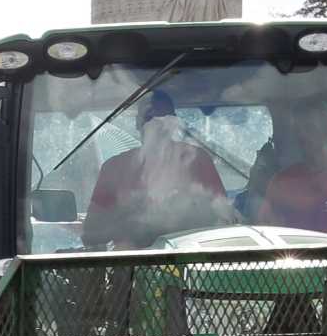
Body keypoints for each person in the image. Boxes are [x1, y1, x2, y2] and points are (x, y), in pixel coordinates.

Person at [85, 91, 229, 248]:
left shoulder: (197, 160)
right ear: (138, 122)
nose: (159, 125)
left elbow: (223, 221)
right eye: (150, 118)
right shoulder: (114, 168)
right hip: (129, 263)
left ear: (176, 122)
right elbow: (92, 234)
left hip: (189, 259)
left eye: (167, 118)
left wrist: (188, 210)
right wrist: (128, 217)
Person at [250, 89, 327, 234]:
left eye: (309, 128)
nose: (302, 135)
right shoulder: (281, 182)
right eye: (298, 130)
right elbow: (264, 229)